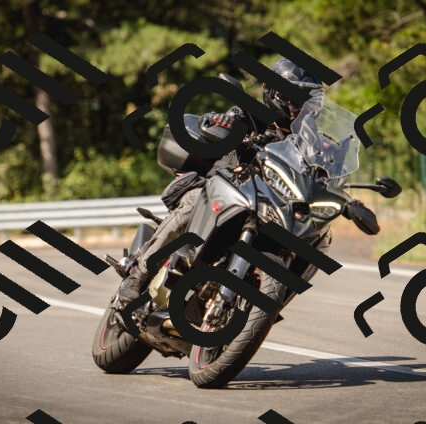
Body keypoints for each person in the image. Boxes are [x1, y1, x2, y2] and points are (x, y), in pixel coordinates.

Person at [117, 59, 325, 304]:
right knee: (194, 199)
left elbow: (328, 168)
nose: (297, 107)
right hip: (227, 190)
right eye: (293, 98)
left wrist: (343, 192)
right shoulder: (251, 115)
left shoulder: (310, 141)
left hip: (270, 203)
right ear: (273, 92)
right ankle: (139, 274)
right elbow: (217, 121)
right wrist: (220, 121)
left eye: (305, 100)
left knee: (314, 240)